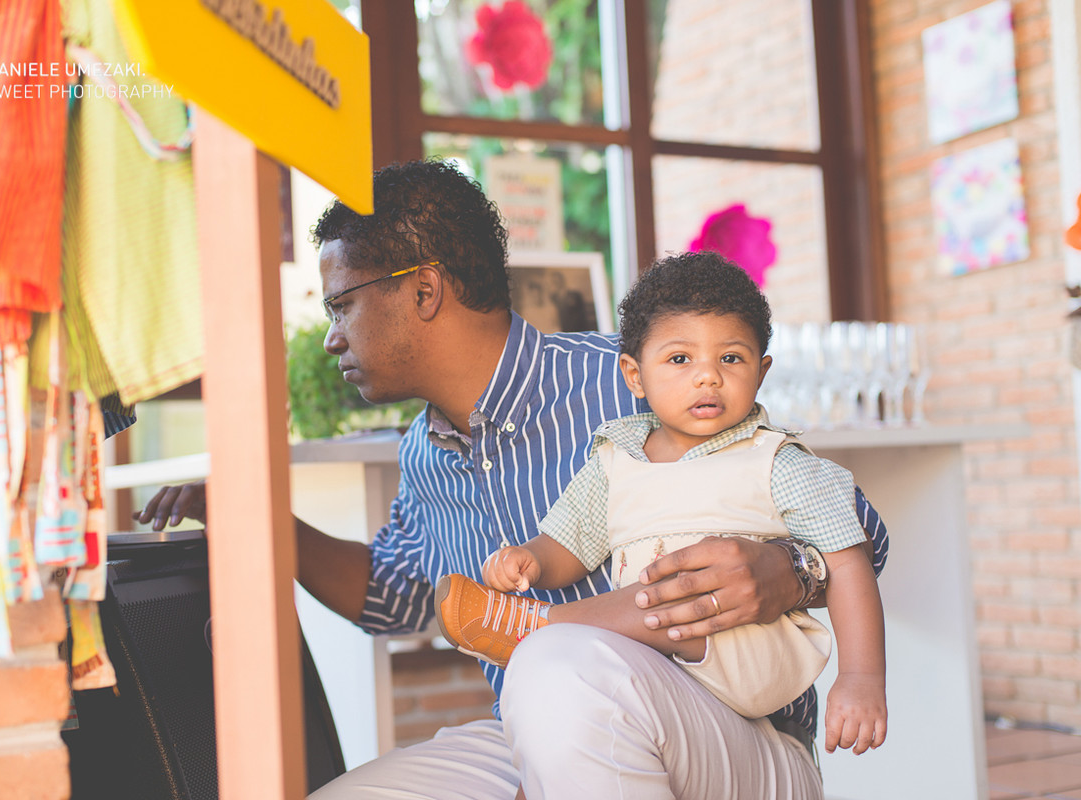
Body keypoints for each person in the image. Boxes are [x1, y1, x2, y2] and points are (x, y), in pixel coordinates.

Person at [137, 159, 889, 799]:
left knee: (555, 663)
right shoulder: (424, 454)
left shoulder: (626, 382)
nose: (332, 335)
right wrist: (256, 519)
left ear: (423, 291)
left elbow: (863, 533)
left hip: (740, 736)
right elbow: (394, 598)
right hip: (544, 734)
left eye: (343, 304)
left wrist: (787, 572)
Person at [435, 251, 887, 758]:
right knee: (589, 685)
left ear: (761, 372)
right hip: (653, 668)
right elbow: (572, 542)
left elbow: (851, 563)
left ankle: (532, 627)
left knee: (663, 594)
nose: (708, 377)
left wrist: (861, 677)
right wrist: (533, 559)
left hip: (745, 654)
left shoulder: (776, 460)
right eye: (679, 359)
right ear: (634, 375)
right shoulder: (616, 457)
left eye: (731, 358)